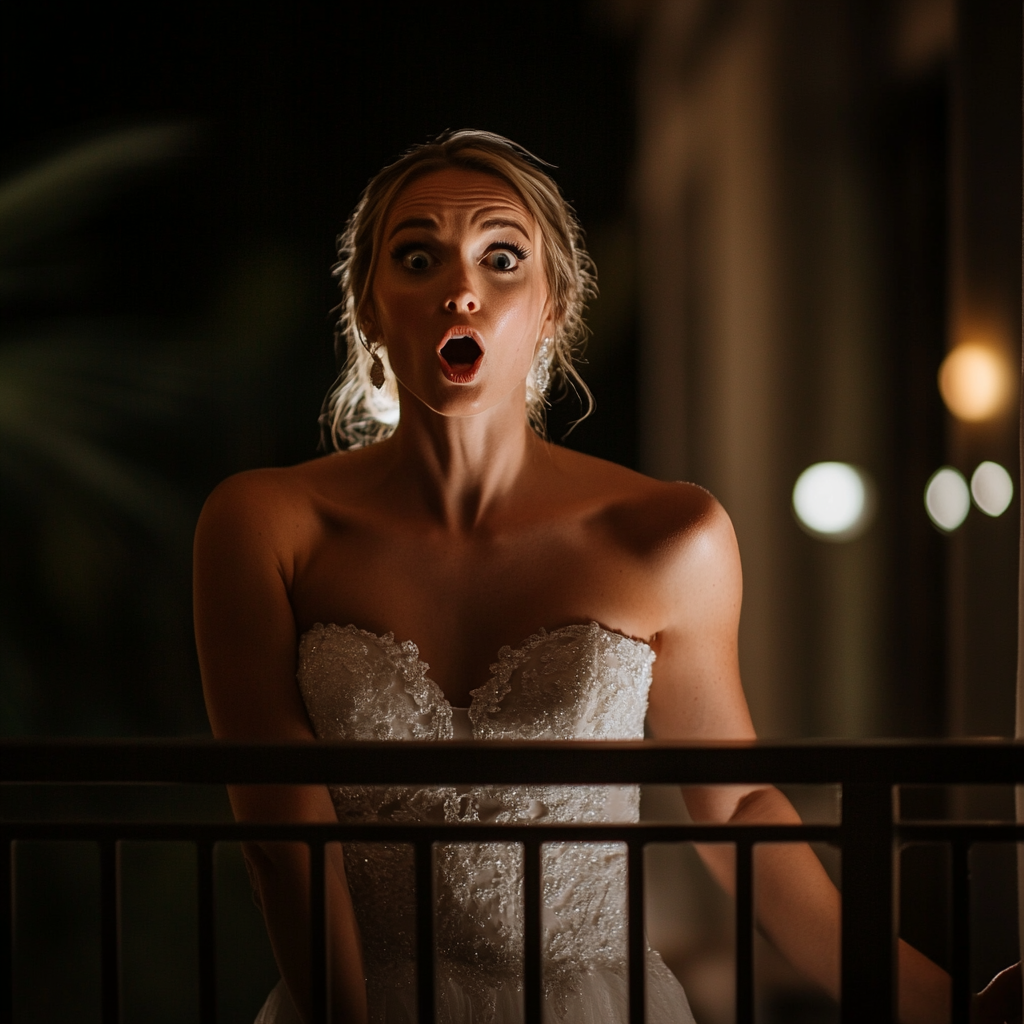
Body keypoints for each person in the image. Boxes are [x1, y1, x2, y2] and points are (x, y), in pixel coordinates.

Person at [194, 130, 960, 1024]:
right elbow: (283, 836)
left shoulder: (668, 535)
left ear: (552, 307)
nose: (462, 289)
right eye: (416, 256)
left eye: (502, 257)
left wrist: (944, 1007)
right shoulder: (263, 525)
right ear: (368, 306)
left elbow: (740, 808)